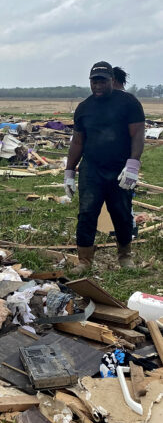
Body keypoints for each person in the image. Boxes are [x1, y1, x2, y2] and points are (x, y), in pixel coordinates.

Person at [64, 61, 145, 272]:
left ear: (111, 80)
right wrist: (69, 172)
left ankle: (125, 256)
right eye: (94, 81)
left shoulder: (129, 103)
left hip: (120, 169)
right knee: (87, 212)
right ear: (90, 82)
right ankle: (84, 261)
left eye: (102, 81)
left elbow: (137, 135)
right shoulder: (84, 108)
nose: (98, 85)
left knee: (121, 212)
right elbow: (78, 141)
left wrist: (133, 164)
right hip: (92, 169)